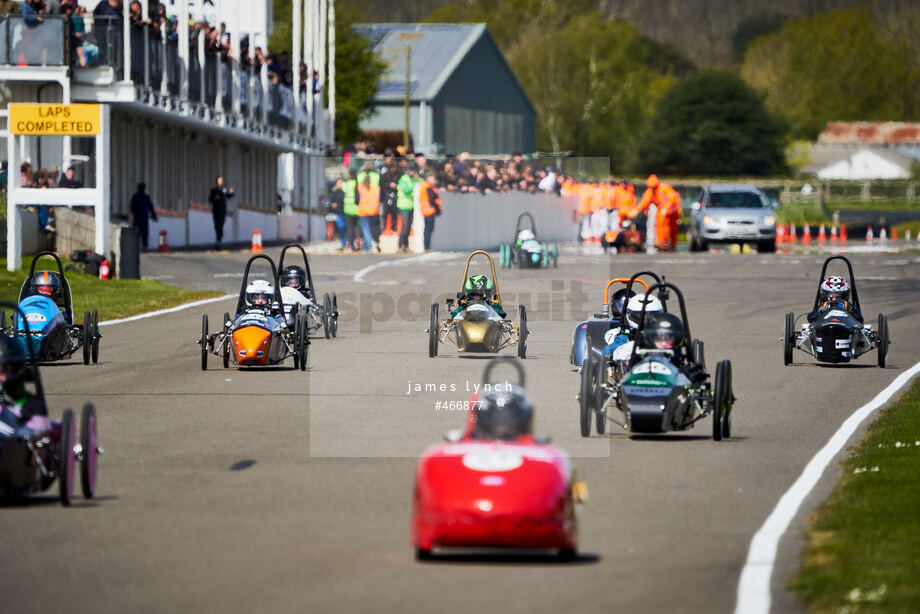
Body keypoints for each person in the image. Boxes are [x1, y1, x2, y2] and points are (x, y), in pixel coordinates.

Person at [634, 174, 682, 251]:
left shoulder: (664, 188)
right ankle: (662, 242)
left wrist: (666, 208)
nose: (653, 189)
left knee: (673, 228)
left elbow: (672, 198)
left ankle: (673, 244)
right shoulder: (650, 192)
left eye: (654, 187)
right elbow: (645, 201)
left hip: (673, 210)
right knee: (660, 224)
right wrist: (637, 210)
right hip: (662, 210)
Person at [208, 175, 234, 250]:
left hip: (222, 210)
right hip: (216, 210)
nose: (221, 181)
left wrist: (231, 193)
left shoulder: (224, 189)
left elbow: (228, 196)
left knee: (221, 225)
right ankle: (218, 239)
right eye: (220, 180)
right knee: (217, 226)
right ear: (217, 181)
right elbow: (210, 199)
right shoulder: (214, 190)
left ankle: (219, 240)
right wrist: (215, 198)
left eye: (222, 180)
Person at [417, 171, 441, 251]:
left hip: (427, 211)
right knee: (428, 229)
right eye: (433, 178)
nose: (435, 180)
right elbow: (431, 199)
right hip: (429, 211)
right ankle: (427, 246)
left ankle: (427, 246)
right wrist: (437, 208)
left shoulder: (427, 186)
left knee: (428, 229)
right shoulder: (428, 187)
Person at [129, 182, 158, 250]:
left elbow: (132, 208)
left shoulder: (135, 197)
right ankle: (144, 246)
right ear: (144, 188)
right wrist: (154, 216)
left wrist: (135, 213)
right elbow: (150, 207)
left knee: (136, 232)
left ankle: (135, 245)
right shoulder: (146, 197)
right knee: (145, 232)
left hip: (137, 217)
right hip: (144, 217)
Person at [396, 166, 417, 253]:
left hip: (411, 206)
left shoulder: (412, 179)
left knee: (408, 228)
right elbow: (406, 190)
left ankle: (406, 246)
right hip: (404, 206)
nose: (413, 173)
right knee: (404, 227)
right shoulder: (404, 179)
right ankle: (400, 246)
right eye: (411, 170)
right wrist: (415, 184)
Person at [341, 169, 359, 252]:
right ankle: (357, 243)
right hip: (357, 208)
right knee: (357, 227)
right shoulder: (357, 183)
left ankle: (350, 245)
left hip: (348, 209)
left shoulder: (346, 184)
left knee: (350, 228)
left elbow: (343, 190)